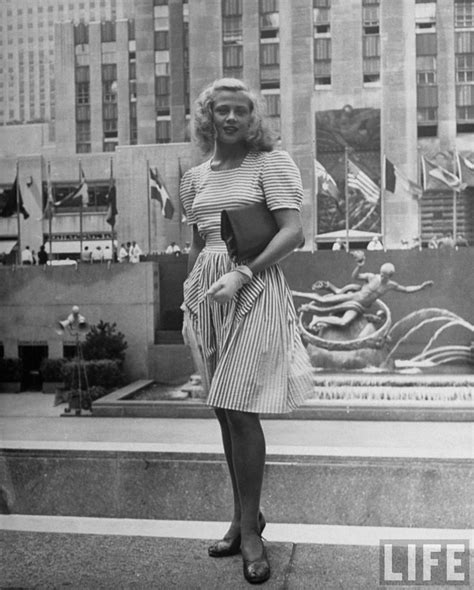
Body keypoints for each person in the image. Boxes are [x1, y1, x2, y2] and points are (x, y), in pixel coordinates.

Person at [179, 78, 313, 585]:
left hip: (252, 287)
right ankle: (242, 519)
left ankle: (253, 534)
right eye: (221, 110)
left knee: (239, 405)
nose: (231, 119)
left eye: (240, 111)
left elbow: (292, 231)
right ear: (207, 117)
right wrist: (190, 296)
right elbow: (199, 243)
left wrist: (243, 272)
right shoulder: (194, 178)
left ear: (252, 118)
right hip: (209, 295)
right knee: (223, 410)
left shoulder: (271, 164)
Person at [297, 253, 433, 330]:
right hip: (353, 297)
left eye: (384, 275)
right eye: (381, 273)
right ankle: (296, 293)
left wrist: (421, 287)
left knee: (344, 322)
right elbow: (355, 277)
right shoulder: (372, 277)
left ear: (389, 276)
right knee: (322, 300)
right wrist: (359, 266)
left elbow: (406, 289)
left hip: (359, 307)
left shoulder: (390, 285)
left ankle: (318, 319)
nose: (381, 276)